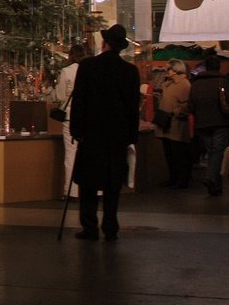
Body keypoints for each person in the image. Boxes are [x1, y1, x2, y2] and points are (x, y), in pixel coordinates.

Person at [69, 23, 140, 242]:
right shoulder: (130, 71)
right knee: (112, 183)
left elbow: (79, 100)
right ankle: (110, 225)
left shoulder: (89, 66)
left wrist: (76, 129)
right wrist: (131, 135)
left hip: (92, 132)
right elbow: (132, 107)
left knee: (89, 183)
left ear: (104, 43)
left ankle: (89, 226)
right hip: (117, 134)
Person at [188, 53, 229, 196]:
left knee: (212, 152)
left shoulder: (195, 83)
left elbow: (190, 106)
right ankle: (210, 177)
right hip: (220, 123)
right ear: (218, 66)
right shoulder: (223, 81)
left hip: (201, 124)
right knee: (217, 152)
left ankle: (215, 188)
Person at [55, 43, 87, 198]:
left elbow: (60, 96)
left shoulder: (66, 72)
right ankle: (96, 189)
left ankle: (71, 191)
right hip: (86, 117)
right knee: (89, 153)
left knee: (71, 154)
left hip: (70, 116)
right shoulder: (89, 71)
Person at [154, 59, 192, 189]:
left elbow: (188, 105)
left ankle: (181, 180)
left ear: (176, 71)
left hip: (176, 124)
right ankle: (173, 178)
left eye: (168, 69)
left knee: (178, 154)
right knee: (169, 154)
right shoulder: (168, 84)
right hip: (166, 123)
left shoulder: (184, 85)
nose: (166, 71)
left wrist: (175, 111)